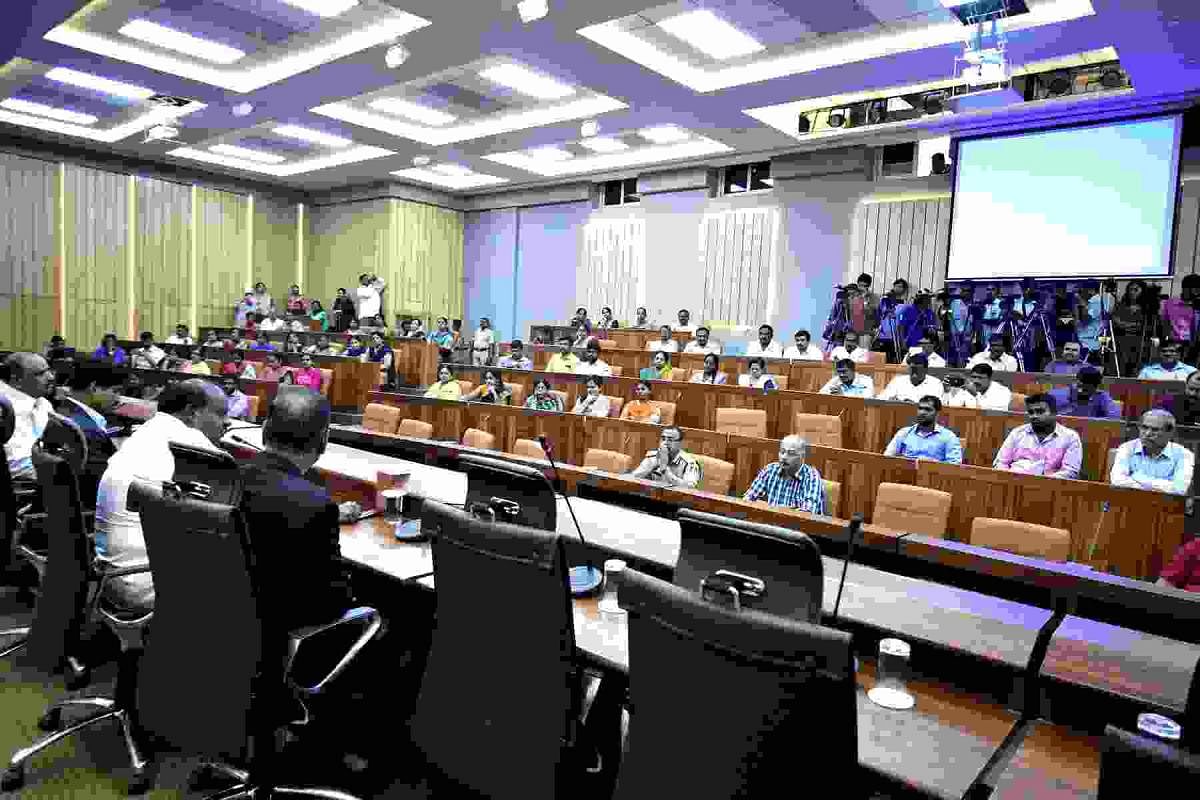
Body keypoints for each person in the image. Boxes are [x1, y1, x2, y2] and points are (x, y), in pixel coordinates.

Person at [94, 379, 228, 611]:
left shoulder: (143, 432)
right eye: (220, 413)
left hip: (111, 574)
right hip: (148, 583)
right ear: (192, 412)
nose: (226, 422)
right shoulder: (194, 449)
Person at [238, 388, 356, 646]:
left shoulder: (227, 480)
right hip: (279, 638)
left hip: (229, 624)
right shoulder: (314, 503)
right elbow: (332, 602)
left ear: (264, 429)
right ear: (323, 439)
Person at [993, 393, 1082, 479]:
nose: (1034, 416)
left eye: (1040, 411)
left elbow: (1070, 471)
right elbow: (1000, 462)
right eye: (1031, 412)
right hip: (1013, 483)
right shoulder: (1017, 433)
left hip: (1050, 488)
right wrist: (1009, 478)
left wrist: (1040, 483)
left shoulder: (1070, 437)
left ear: (1054, 413)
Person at [1111, 409, 1194, 495]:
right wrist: (1163, 485)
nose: (1147, 433)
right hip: (1128, 502)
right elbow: (1117, 481)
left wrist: (1137, 477)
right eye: (1144, 427)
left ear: (1169, 433)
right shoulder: (1127, 448)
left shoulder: (1184, 455)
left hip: (1164, 506)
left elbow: (1179, 490)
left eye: (1155, 430)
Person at [0, 353, 55, 480]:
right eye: (41, 374)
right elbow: (14, 465)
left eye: (49, 371)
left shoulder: (41, 402)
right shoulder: (5, 410)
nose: (51, 377)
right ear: (17, 380)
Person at [743, 435, 826, 514]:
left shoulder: (811, 477)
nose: (784, 457)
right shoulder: (770, 470)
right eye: (782, 452)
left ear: (802, 457)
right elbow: (747, 499)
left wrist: (769, 507)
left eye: (791, 453)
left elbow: (808, 513)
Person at [884, 396, 963, 464]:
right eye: (920, 408)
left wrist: (931, 464)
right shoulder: (904, 433)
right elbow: (887, 457)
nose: (922, 412)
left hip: (933, 477)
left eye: (927, 409)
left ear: (937, 413)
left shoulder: (949, 437)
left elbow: (954, 465)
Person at [628, 426, 702, 488]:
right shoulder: (653, 457)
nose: (665, 443)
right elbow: (632, 478)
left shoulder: (689, 463)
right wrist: (652, 466)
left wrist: (665, 470)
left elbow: (689, 488)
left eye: (670, 440)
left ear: (680, 443)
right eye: (663, 439)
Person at [1049, 367, 1122, 419]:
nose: (1079, 388)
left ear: (1095, 387)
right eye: (1078, 383)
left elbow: (1115, 419)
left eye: (1085, 386)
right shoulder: (1061, 394)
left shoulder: (1102, 397)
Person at [1112, 279, 1150, 378]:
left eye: (1136, 289)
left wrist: (1125, 325)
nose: (1132, 292)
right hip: (1121, 343)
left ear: (1143, 291)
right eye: (1130, 289)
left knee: (1135, 371)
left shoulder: (1147, 309)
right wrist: (1132, 325)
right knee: (1120, 370)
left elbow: (1142, 327)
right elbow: (1116, 323)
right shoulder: (1120, 306)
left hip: (1138, 344)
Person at [1159, 275, 1200, 358]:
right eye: (1193, 287)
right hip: (1174, 343)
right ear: (1185, 288)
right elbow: (1164, 323)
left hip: (1196, 345)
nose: (1196, 291)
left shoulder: (1198, 305)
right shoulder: (1171, 303)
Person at [878, 353, 944, 403]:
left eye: (917, 364)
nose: (913, 366)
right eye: (910, 364)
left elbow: (936, 405)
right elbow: (881, 398)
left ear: (925, 369)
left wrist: (913, 404)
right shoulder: (898, 381)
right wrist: (892, 401)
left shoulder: (935, 383)